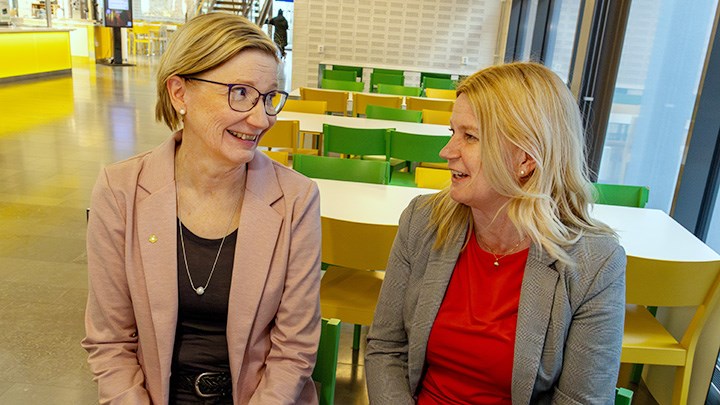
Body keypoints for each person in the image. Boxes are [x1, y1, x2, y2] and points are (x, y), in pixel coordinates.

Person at [82, 13, 321, 404]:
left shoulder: (296, 199)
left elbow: (293, 350)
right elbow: (110, 341)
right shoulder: (120, 190)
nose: (261, 119)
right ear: (180, 93)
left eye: (269, 97)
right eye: (240, 92)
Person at [365, 62, 626, 404]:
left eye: (470, 137)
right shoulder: (424, 221)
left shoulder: (594, 263)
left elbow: (581, 400)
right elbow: (386, 348)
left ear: (526, 159)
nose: (447, 151)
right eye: (452, 132)